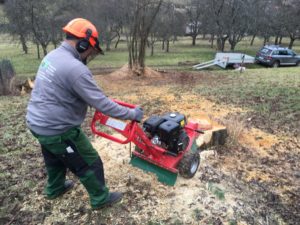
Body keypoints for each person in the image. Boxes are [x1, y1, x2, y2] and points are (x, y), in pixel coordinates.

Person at [26, 18, 143, 210]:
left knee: (54, 156)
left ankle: (55, 188)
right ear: (82, 44)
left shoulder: (52, 56)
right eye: (90, 49)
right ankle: (100, 199)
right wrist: (132, 113)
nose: (89, 54)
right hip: (57, 129)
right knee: (90, 162)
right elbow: (103, 104)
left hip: (36, 124)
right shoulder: (75, 69)